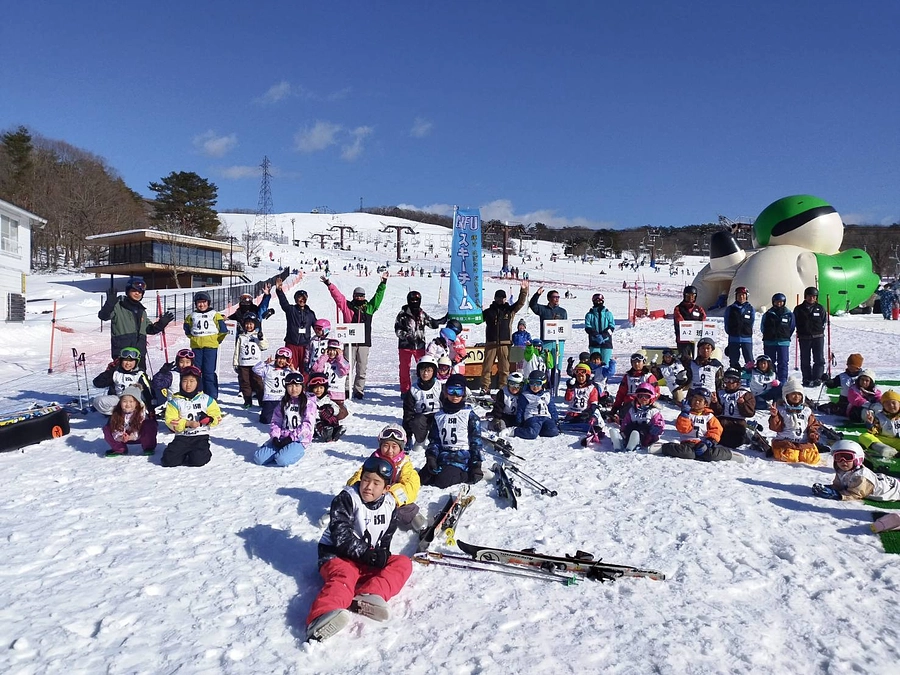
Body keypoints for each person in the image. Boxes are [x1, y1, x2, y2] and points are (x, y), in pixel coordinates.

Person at [305, 456, 413, 642]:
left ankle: (370, 595)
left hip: (365, 558)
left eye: (376, 483)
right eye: (365, 480)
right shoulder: (347, 499)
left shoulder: (389, 505)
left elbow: (386, 536)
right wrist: (368, 554)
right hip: (337, 556)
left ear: (386, 489)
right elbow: (341, 536)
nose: (368, 487)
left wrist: (381, 555)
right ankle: (321, 617)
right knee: (345, 577)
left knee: (403, 563)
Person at [346, 424, 426, 531]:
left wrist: (391, 496)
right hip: (370, 496)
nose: (389, 451)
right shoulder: (373, 461)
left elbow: (410, 485)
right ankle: (343, 515)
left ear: (400, 447)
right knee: (353, 500)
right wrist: (357, 490)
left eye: (394, 446)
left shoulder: (404, 464)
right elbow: (358, 477)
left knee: (407, 509)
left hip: (391, 500)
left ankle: (419, 524)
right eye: (386, 445)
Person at [322, 272, 389, 399]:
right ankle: (346, 388)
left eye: (361, 296)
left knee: (361, 368)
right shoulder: (347, 306)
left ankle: (359, 390)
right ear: (353, 296)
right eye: (357, 296)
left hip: (364, 343)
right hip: (350, 343)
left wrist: (383, 283)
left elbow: (378, 297)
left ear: (364, 297)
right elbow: (338, 297)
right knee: (347, 367)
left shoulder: (369, 308)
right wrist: (329, 285)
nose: (359, 298)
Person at [419, 373, 484, 488]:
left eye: (458, 391)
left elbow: (476, 441)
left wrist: (476, 465)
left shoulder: (469, 415)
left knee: (442, 481)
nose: (455, 395)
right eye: (451, 390)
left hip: (461, 457)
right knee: (422, 478)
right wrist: (431, 457)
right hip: (443, 455)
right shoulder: (439, 415)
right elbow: (435, 440)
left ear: (464, 393)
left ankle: (466, 474)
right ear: (446, 392)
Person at [97, 276, 174, 371]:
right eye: (134, 290)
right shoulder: (118, 305)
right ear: (128, 291)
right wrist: (110, 304)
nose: (137, 293)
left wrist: (161, 323)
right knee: (122, 378)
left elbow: (149, 329)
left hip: (139, 354)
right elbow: (103, 316)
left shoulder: (141, 311)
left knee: (140, 379)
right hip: (123, 354)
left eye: (140, 292)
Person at [162, 365, 222, 468]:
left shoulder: (206, 399)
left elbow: (217, 416)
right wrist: (187, 423)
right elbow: (170, 420)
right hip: (182, 436)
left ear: (197, 383)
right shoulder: (175, 402)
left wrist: (210, 419)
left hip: (200, 436)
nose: (188, 385)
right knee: (169, 461)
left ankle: (200, 452)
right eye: (185, 381)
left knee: (198, 460)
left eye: (192, 381)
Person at [254, 371, 315, 466]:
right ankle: (282, 451)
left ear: (302, 386)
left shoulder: (308, 403)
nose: (294, 389)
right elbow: (276, 421)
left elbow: (307, 425)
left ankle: (297, 452)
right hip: (283, 437)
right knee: (258, 459)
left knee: (281, 460)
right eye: (290, 386)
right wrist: (275, 436)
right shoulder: (284, 402)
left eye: (297, 386)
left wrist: (291, 438)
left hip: (299, 439)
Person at [480, 281, 529, 394]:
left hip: (505, 343)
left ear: (505, 299)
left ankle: (503, 388)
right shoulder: (489, 312)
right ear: (495, 298)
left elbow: (520, 303)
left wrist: (524, 291)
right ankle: (485, 387)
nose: (500, 299)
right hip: (491, 343)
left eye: (502, 298)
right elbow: (477, 320)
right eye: (498, 297)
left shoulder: (509, 310)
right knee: (487, 367)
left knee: (504, 368)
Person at [661, 387, 735, 462]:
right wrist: (684, 414)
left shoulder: (709, 417)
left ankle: (728, 454)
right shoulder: (687, 414)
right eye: (695, 399)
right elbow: (683, 429)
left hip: (704, 444)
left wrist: (709, 441)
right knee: (688, 454)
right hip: (688, 444)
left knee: (710, 455)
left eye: (700, 400)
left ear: (705, 403)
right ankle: (665, 447)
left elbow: (716, 430)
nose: (696, 402)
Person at [812, 440, 900, 501]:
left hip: (893, 490)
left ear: (858, 459)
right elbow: (838, 485)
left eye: (848, 457)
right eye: (838, 457)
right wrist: (828, 488)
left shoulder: (861, 477)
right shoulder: (841, 471)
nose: (843, 461)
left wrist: (836, 495)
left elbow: (855, 494)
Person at [395, 290, 445, 394]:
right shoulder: (402, 314)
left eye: (416, 300)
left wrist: (442, 320)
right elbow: (397, 329)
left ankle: (424, 387)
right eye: (412, 300)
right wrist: (406, 336)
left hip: (419, 346)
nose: (414, 302)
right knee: (404, 369)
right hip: (405, 346)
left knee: (424, 366)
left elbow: (431, 323)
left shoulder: (421, 314)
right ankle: (405, 391)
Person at [183, 291, 228, 399]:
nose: (201, 305)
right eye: (199, 302)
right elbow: (187, 329)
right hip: (196, 347)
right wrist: (194, 339)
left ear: (208, 303)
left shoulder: (215, 315)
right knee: (196, 371)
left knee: (208, 372)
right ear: (195, 304)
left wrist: (217, 340)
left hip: (210, 347)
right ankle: (198, 394)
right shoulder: (191, 316)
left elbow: (223, 330)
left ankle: (211, 396)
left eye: (204, 302)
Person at [767, 378, 821, 465]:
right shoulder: (781, 410)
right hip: (785, 442)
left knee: (811, 459)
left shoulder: (806, 411)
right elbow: (776, 427)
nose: (796, 397)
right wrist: (774, 416)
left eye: (799, 394)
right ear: (786, 396)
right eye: (793, 394)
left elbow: (812, 425)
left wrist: (812, 433)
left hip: (803, 442)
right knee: (791, 457)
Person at [529, 286, 568, 395]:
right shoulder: (543, 309)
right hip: (546, 342)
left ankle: (555, 389)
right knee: (545, 365)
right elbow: (532, 305)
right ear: (549, 298)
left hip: (558, 343)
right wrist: (537, 294)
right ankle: (543, 387)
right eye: (554, 297)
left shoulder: (562, 311)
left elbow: (565, 326)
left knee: (557, 366)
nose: (557, 299)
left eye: (558, 297)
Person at [92, 347, 153, 416]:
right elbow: (97, 383)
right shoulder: (116, 373)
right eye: (125, 360)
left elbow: (149, 392)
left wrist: (151, 408)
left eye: (131, 361)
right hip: (120, 400)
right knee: (98, 401)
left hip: (136, 402)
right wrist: (109, 372)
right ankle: (119, 414)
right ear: (121, 361)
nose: (128, 363)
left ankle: (134, 415)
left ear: (136, 362)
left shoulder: (140, 375)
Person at [274, 277, 317, 372]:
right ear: (296, 299)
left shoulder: (310, 313)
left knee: (305, 369)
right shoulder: (291, 310)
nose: (301, 300)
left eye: (304, 298)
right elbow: (283, 303)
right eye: (299, 298)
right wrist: (279, 291)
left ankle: (305, 382)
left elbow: (317, 327)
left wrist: (323, 336)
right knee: (290, 367)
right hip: (291, 344)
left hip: (305, 345)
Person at [102, 386, 158, 457]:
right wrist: (121, 437)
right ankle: (119, 449)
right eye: (124, 401)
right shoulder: (117, 413)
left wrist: (131, 436)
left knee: (149, 424)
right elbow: (115, 428)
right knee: (107, 428)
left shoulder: (141, 413)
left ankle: (148, 447)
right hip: (123, 438)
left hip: (139, 436)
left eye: (131, 401)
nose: (128, 404)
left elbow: (138, 427)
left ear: (136, 403)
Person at [608, 383, 665, 452]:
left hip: (647, 436)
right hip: (633, 431)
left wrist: (653, 432)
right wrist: (623, 430)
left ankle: (634, 444)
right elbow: (626, 421)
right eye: (640, 396)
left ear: (651, 398)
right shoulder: (632, 410)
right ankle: (620, 441)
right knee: (629, 428)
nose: (643, 399)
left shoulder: (653, 411)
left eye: (646, 396)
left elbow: (659, 424)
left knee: (640, 429)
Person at [401, 356, 442, 452]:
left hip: (437, 417)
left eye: (429, 370)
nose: (425, 373)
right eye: (423, 370)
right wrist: (408, 435)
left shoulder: (440, 387)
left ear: (434, 372)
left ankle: (437, 439)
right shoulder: (413, 390)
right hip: (422, 419)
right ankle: (421, 439)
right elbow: (408, 413)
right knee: (416, 420)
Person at [710, 368, 756, 448]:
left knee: (734, 442)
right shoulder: (720, 393)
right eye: (726, 380)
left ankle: (747, 436)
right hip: (722, 422)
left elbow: (750, 413)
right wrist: (715, 403)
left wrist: (742, 404)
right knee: (714, 436)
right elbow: (717, 412)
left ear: (738, 381)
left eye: (732, 380)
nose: (729, 383)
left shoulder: (744, 394)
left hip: (737, 423)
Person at [793, 286, 828, 386]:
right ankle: (806, 378)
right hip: (804, 338)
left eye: (814, 296)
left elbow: (824, 321)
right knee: (805, 359)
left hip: (818, 337)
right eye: (809, 296)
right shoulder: (799, 309)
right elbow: (794, 322)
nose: (811, 298)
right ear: (805, 296)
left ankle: (817, 377)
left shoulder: (820, 308)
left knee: (819, 359)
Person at [233, 313, 267, 409]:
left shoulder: (257, 335)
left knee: (258, 383)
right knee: (245, 383)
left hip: (256, 364)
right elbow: (237, 351)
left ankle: (261, 400)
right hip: (244, 364)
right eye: (247, 324)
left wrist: (261, 339)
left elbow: (264, 347)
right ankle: (247, 400)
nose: (249, 326)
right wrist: (235, 363)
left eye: (251, 324)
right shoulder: (241, 337)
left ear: (255, 324)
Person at [253, 347, 294, 424]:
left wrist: (293, 369)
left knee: (285, 419)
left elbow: (299, 378)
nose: (281, 361)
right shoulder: (268, 368)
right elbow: (255, 369)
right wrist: (265, 362)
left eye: (284, 359)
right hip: (270, 398)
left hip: (284, 398)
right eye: (279, 358)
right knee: (266, 420)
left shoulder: (289, 372)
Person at [760, 293, 794, 385]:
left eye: (781, 302)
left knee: (783, 362)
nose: (779, 304)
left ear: (784, 302)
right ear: (773, 302)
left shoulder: (789, 314)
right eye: (777, 302)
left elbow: (791, 327)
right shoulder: (768, 314)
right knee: (770, 362)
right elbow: (762, 327)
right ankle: (771, 378)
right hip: (769, 342)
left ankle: (782, 380)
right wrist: (769, 335)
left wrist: (785, 335)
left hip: (783, 342)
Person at [611, 353, 658, 419]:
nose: (636, 364)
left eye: (639, 362)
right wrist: (615, 407)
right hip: (629, 404)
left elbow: (656, 393)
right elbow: (621, 394)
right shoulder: (627, 377)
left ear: (643, 362)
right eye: (634, 362)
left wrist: (649, 402)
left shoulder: (649, 377)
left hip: (645, 403)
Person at [515, 370, 560, 439]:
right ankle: (514, 431)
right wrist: (519, 422)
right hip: (532, 417)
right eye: (532, 383)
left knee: (554, 431)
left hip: (546, 417)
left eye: (538, 383)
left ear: (543, 383)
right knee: (532, 434)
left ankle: (538, 429)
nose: (535, 386)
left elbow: (552, 408)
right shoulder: (526, 395)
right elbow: (521, 409)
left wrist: (555, 420)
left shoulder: (547, 395)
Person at [859, 390, 900, 458]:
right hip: (883, 441)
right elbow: (874, 432)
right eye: (887, 404)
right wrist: (870, 424)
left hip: (898, 441)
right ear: (883, 406)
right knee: (864, 436)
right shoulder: (879, 417)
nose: (891, 405)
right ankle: (886, 450)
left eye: (893, 403)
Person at [313, 339, 351, 412]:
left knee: (338, 412)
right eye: (330, 350)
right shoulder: (324, 362)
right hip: (325, 394)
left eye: (335, 350)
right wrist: (324, 356)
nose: (332, 352)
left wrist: (340, 357)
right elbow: (316, 370)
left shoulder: (343, 361)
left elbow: (345, 370)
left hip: (338, 395)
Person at [308, 371, 347, 442]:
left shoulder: (326, 398)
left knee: (332, 417)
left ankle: (335, 430)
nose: (318, 390)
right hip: (313, 423)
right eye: (316, 388)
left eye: (321, 388)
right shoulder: (309, 399)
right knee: (318, 422)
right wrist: (319, 412)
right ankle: (324, 432)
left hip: (326, 422)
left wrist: (332, 409)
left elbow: (336, 408)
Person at [560, 363, 600, 431]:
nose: (580, 378)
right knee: (569, 423)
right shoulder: (573, 387)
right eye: (578, 376)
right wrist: (569, 389)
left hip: (584, 413)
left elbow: (593, 403)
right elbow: (568, 399)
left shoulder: (591, 388)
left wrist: (589, 412)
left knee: (589, 421)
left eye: (582, 376)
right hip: (572, 413)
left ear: (587, 376)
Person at [722, 286, 755, 369]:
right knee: (733, 359)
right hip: (734, 338)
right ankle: (734, 374)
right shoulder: (730, 309)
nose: (741, 297)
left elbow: (752, 322)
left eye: (743, 295)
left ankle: (749, 374)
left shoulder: (750, 309)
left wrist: (746, 330)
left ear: (746, 296)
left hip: (746, 338)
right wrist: (731, 332)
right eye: (739, 295)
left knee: (749, 360)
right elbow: (726, 322)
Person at [673, 285, 706, 359]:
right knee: (685, 360)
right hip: (683, 340)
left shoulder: (699, 309)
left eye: (693, 296)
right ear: (684, 296)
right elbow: (680, 321)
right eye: (688, 296)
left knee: (698, 359)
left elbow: (703, 320)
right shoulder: (678, 308)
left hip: (696, 340)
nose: (691, 298)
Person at [584, 293, 615, 365]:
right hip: (594, 342)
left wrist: (604, 336)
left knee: (605, 363)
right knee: (595, 363)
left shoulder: (608, 314)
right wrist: (596, 335)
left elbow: (612, 327)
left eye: (600, 300)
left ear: (603, 301)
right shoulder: (589, 315)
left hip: (606, 342)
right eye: (596, 301)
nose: (598, 302)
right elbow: (588, 327)